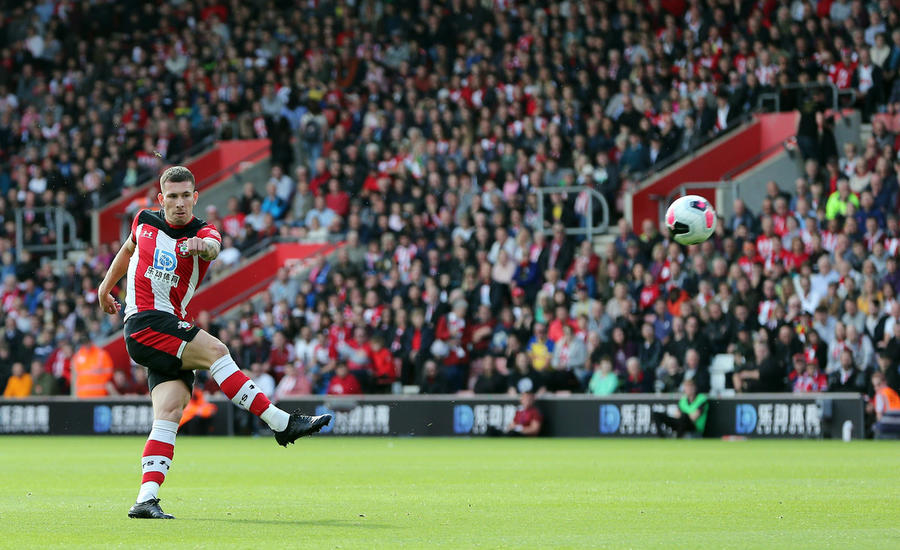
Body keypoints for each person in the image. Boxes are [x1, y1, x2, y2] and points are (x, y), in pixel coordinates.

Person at [97, 166, 330, 520]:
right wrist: (104, 287)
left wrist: (201, 247)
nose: (178, 203)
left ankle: (145, 498)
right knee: (218, 352)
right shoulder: (143, 220)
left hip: (163, 328)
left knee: (170, 412)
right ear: (161, 200)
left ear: (195, 196)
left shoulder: (204, 232)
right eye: (171, 197)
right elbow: (128, 251)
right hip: (146, 322)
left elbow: (211, 249)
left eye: (185, 196)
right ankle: (282, 423)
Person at [870, 371, 900, 438]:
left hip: (888, 425)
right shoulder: (893, 393)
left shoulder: (880, 394)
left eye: (879, 384)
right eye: (874, 386)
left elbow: (879, 416)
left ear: (884, 382)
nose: (876, 388)